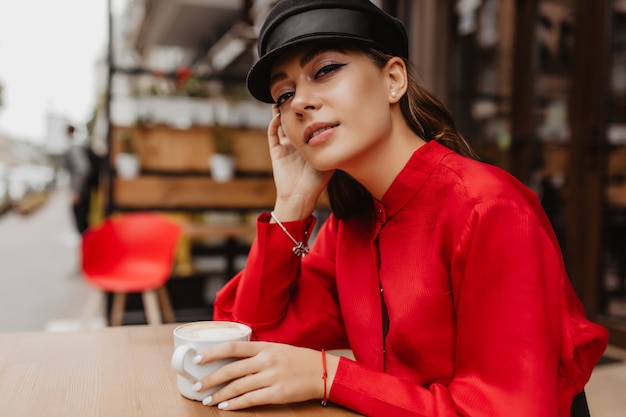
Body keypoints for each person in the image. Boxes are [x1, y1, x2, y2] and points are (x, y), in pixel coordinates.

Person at [192, 1, 610, 416]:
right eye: (284, 95)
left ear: (393, 79)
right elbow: (251, 337)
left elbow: (503, 411)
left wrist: (331, 377)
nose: (299, 102)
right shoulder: (351, 225)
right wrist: (292, 204)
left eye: (325, 70)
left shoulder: (491, 209)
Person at [63, 124, 98, 235]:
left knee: (82, 226)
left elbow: (83, 169)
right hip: (84, 190)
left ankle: (87, 249)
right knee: (83, 224)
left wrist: (76, 192)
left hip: (81, 192)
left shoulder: (75, 147)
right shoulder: (80, 144)